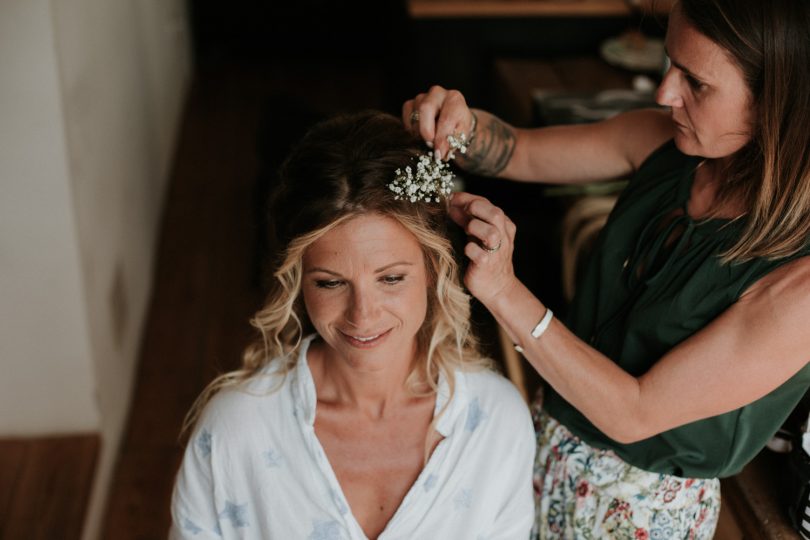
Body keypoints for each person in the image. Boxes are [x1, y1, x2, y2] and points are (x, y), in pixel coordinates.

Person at [403, 0, 810, 537]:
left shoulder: (798, 285)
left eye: (696, 82)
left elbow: (633, 412)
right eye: (670, 64)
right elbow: (517, 151)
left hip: (642, 511)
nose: (664, 93)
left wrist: (503, 290)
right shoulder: (663, 145)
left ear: (776, 100)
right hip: (548, 441)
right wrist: (454, 123)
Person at [169, 111, 535, 539]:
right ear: (296, 280)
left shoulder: (495, 423)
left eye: (391, 278)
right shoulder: (236, 431)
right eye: (330, 283)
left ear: (434, 269)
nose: (363, 315)